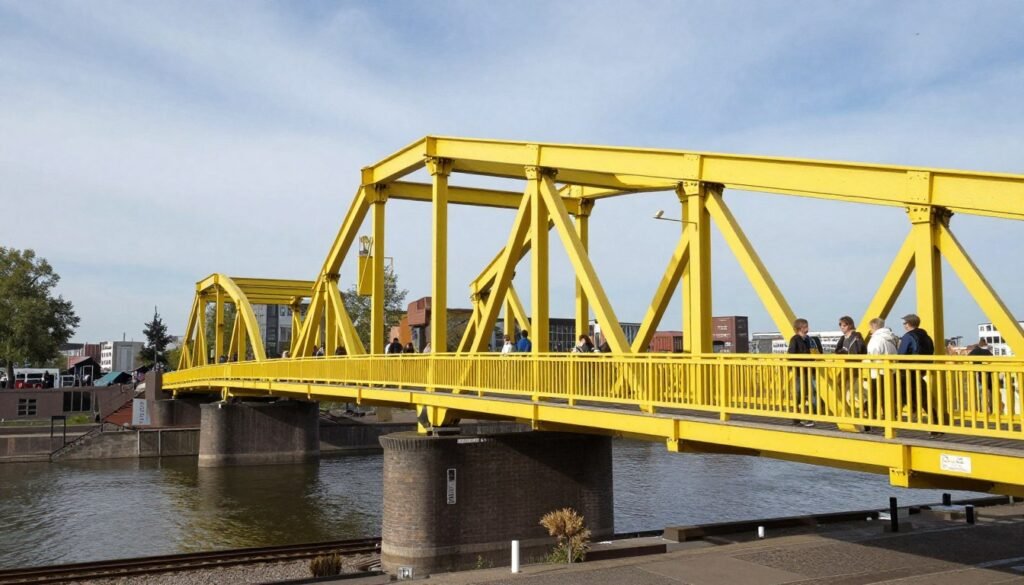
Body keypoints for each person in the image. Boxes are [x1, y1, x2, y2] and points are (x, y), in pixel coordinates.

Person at [897, 313, 943, 436]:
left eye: (905, 323)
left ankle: (893, 422)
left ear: (909, 324)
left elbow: (901, 354)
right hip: (921, 371)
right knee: (923, 398)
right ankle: (935, 424)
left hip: (907, 370)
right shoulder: (927, 337)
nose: (904, 325)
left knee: (896, 394)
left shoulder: (908, 337)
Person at [788, 318, 822, 427]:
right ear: (799, 328)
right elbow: (791, 356)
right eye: (805, 326)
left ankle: (812, 417)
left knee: (813, 393)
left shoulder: (810, 340)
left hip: (810, 371)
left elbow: (817, 353)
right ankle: (796, 418)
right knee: (799, 394)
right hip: (800, 372)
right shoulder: (795, 339)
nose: (807, 328)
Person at [969, 339, 995, 413]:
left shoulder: (973, 352)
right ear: (984, 344)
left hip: (975, 375)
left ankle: (978, 410)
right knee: (986, 393)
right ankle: (988, 410)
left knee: (978, 393)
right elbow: (992, 359)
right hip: (986, 375)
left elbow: (968, 359)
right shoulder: (986, 352)